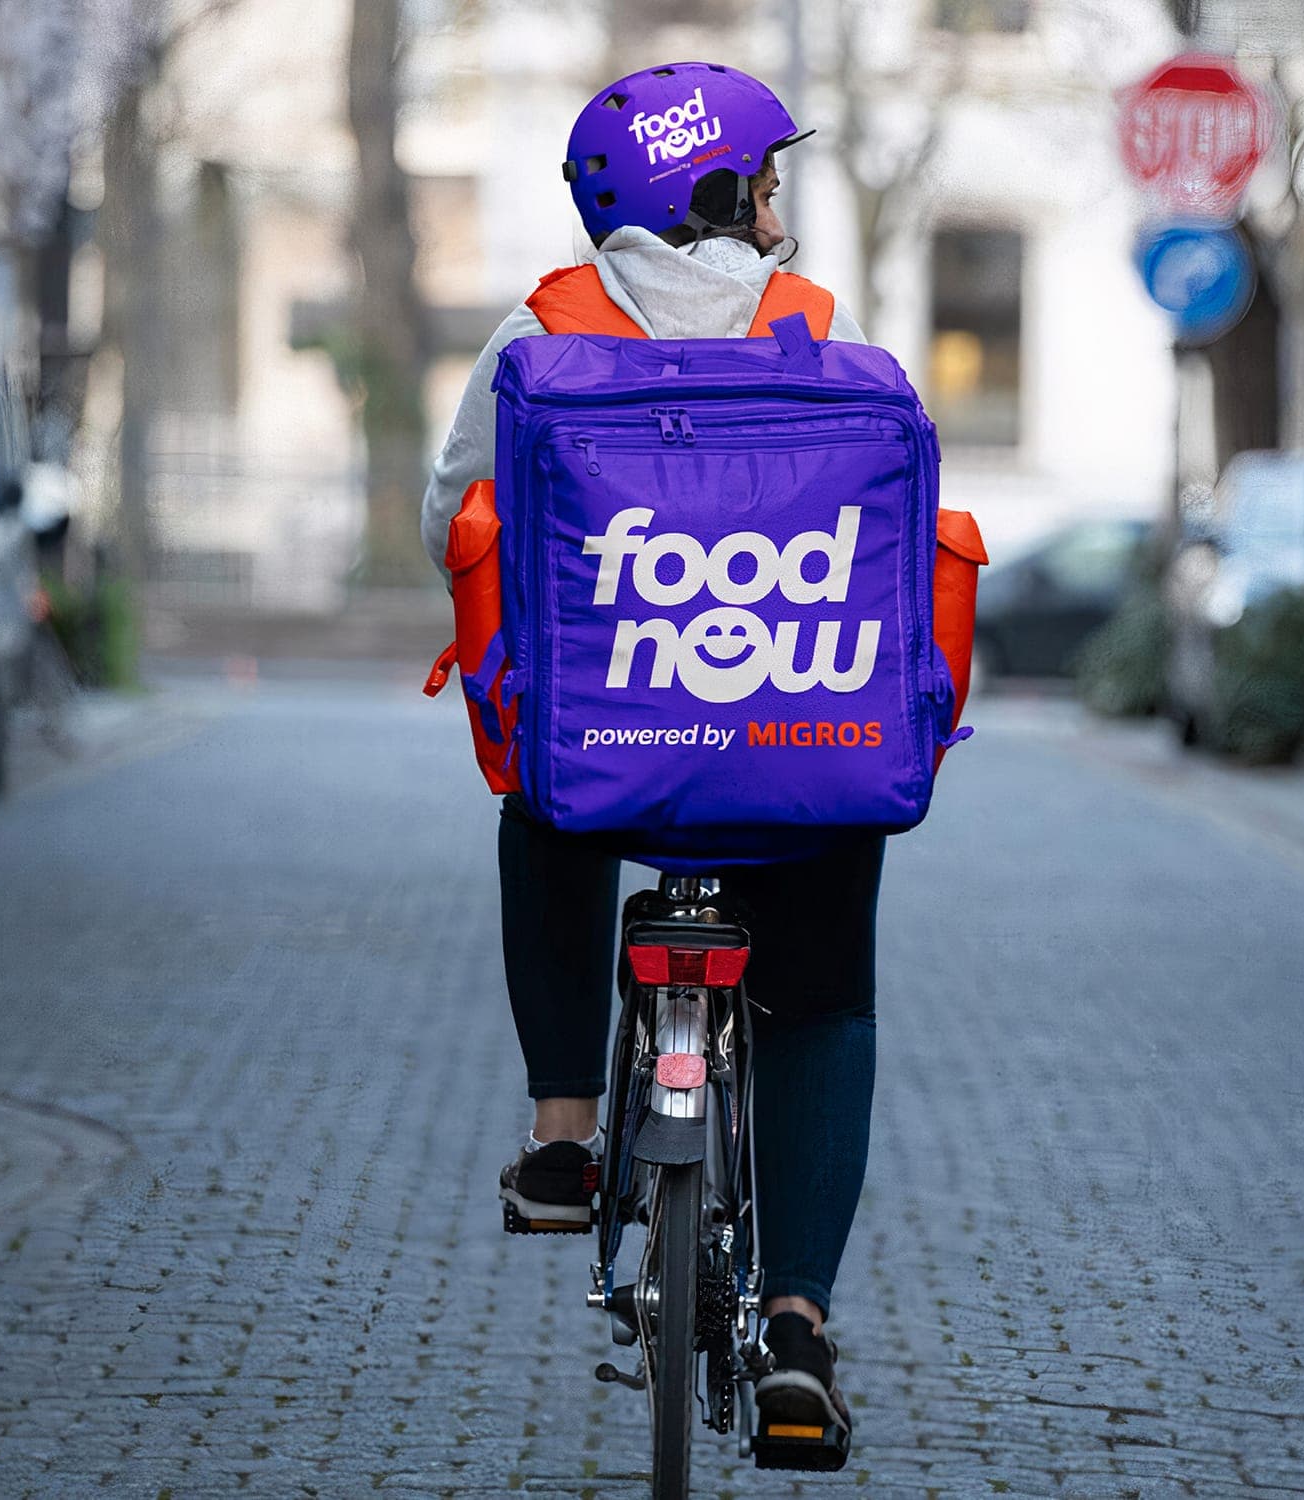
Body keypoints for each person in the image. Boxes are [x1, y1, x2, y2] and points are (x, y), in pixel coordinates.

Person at [420, 61, 880, 1450]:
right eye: (768, 176)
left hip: (607, 749)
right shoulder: (817, 331)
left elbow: (452, 516)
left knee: (538, 814)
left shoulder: (537, 331)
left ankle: (566, 1133)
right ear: (725, 191)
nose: (780, 200)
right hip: (794, 749)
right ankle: (795, 1323)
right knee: (824, 986)